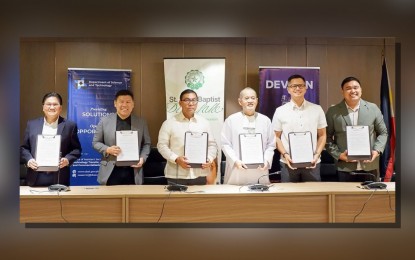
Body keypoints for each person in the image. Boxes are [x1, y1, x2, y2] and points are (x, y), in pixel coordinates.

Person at [325, 76, 388, 182]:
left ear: (361, 90)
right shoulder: (333, 111)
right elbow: (326, 137)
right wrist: (339, 155)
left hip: (370, 166)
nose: (352, 91)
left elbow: (383, 133)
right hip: (345, 167)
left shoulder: (373, 108)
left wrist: (376, 151)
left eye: (356, 87)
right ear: (342, 91)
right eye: (348, 88)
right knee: (345, 199)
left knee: (372, 198)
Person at [271, 74, 327, 182]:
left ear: (306, 88)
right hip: (288, 163)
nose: (297, 88)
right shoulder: (280, 111)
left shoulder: (317, 109)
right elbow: (276, 137)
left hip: (312, 163)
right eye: (294, 86)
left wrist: (316, 155)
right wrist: (285, 154)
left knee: (314, 197)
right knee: (289, 198)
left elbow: (322, 135)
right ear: (288, 89)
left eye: (301, 85)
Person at [157, 89, 218, 185]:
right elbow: (162, 146)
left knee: (199, 201)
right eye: (187, 100)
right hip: (176, 175)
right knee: (176, 201)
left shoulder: (204, 123)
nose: (191, 103)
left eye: (194, 100)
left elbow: (212, 145)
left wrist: (209, 158)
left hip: (200, 174)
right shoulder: (169, 123)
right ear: (180, 103)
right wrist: (176, 159)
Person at [20, 92, 82, 187]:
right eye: (48, 104)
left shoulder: (70, 126)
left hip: (59, 177)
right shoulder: (32, 124)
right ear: (43, 107)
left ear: (60, 108)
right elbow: (24, 148)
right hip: (34, 176)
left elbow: (76, 150)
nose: (52, 107)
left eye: (55, 104)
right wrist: (29, 160)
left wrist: (67, 160)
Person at [92, 89, 151, 185]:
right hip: (111, 170)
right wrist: (108, 149)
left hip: (133, 170)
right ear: (115, 103)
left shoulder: (141, 122)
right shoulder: (104, 121)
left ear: (133, 104)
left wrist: (142, 158)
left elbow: (147, 144)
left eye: (128, 102)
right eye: (121, 102)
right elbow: (95, 143)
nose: (124, 105)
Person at [221, 87, 276, 185]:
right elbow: (225, 144)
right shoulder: (231, 120)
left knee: (259, 197)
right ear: (240, 101)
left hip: (259, 169)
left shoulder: (265, 120)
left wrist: (266, 161)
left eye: (253, 98)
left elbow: (271, 144)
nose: (250, 101)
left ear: (257, 101)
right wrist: (235, 161)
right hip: (237, 170)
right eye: (246, 98)